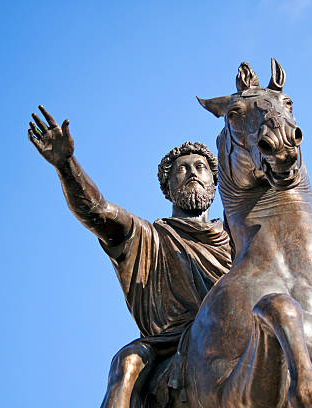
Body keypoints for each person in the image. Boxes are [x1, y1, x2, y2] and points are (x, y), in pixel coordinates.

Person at [27, 106, 232, 408]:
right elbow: (96, 211)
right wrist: (66, 164)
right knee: (127, 362)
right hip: (168, 344)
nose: (191, 173)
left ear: (214, 183)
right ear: (168, 188)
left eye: (200, 167)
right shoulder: (146, 237)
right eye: (182, 169)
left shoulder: (236, 234)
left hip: (236, 327)